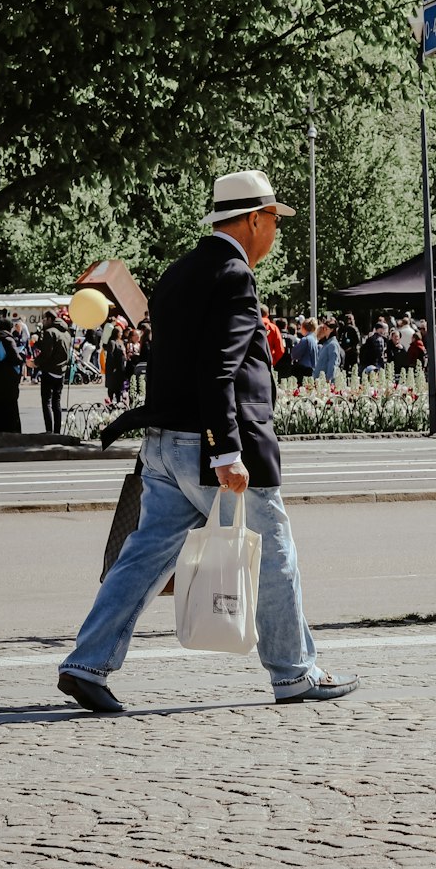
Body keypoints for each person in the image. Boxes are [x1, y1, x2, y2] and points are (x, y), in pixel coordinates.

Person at [57, 167, 358, 713]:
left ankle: (87, 661)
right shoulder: (234, 275)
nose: (275, 231)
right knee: (275, 554)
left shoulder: (178, 271)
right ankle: (294, 673)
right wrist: (226, 451)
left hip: (164, 442)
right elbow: (218, 370)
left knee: (144, 556)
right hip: (211, 446)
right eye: (273, 219)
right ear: (251, 220)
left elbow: (174, 362)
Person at [36, 310, 73, 434]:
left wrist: (36, 362)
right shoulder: (66, 333)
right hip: (61, 372)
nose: (43, 321)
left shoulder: (50, 332)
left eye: (44, 319)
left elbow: (46, 353)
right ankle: (57, 431)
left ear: (50, 319)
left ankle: (49, 430)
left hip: (50, 370)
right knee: (56, 403)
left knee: (46, 402)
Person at [104, 323, 129, 409]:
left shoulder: (120, 342)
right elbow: (110, 356)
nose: (121, 334)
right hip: (114, 369)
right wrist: (113, 367)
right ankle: (110, 403)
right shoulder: (112, 342)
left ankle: (119, 402)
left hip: (120, 368)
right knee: (112, 386)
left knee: (118, 387)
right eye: (120, 332)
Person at [313, 318, 343, 383]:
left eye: (326, 328)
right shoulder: (326, 343)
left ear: (332, 330)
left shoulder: (333, 345)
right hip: (319, 381)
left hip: (325, 383)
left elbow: (333, 364)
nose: (323, 330)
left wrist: (328, 380)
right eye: (323, 328)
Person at [291, 318, 319, 383]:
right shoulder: (314, 339)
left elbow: (295, 355)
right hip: (312, 369)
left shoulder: (305, 340)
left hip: (303, 370)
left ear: (303, 327)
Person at [261, 305, 285, 370]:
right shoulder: (273, 328)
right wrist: (273, 361)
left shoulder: (251, 326)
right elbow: (280, 349)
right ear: (268, 314)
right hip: (268, 362)